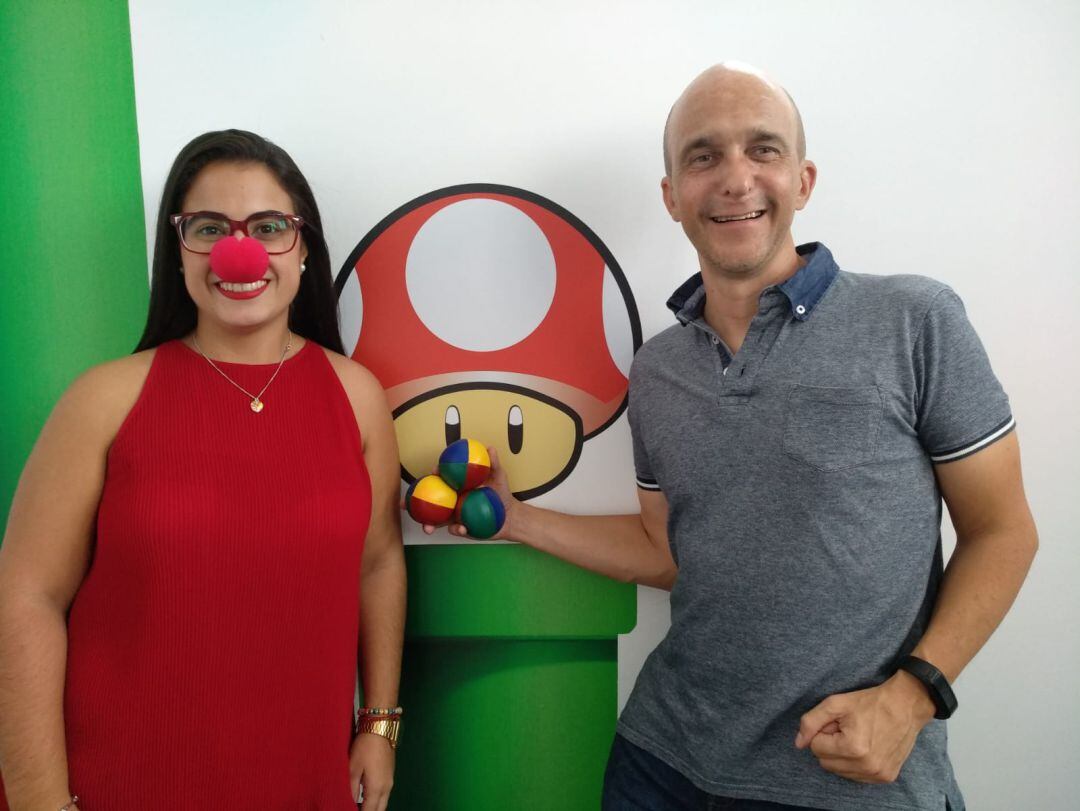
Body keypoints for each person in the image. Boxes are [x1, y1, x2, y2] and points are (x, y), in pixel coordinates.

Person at [443, 64, 1038, 810]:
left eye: (763, 149)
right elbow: (666, 550)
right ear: (671, 196)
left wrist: (914, 696)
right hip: (661, 764)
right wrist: (516, 518)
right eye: (704, 156)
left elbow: (1004, 531)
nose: (735, 178)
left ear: (803, 179)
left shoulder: (915, 321)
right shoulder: (657, 369)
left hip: (846, 779)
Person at [0, 130, 406, 810]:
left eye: (268, 227)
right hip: (118, 784)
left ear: (303, 247)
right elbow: (26, 597)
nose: (236, 251)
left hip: (302, 778)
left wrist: (380, 724)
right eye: (209, 228)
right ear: (179, 248)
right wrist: (40, 798)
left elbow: (379, 562)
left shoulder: (357, 396)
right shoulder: (105, 398)